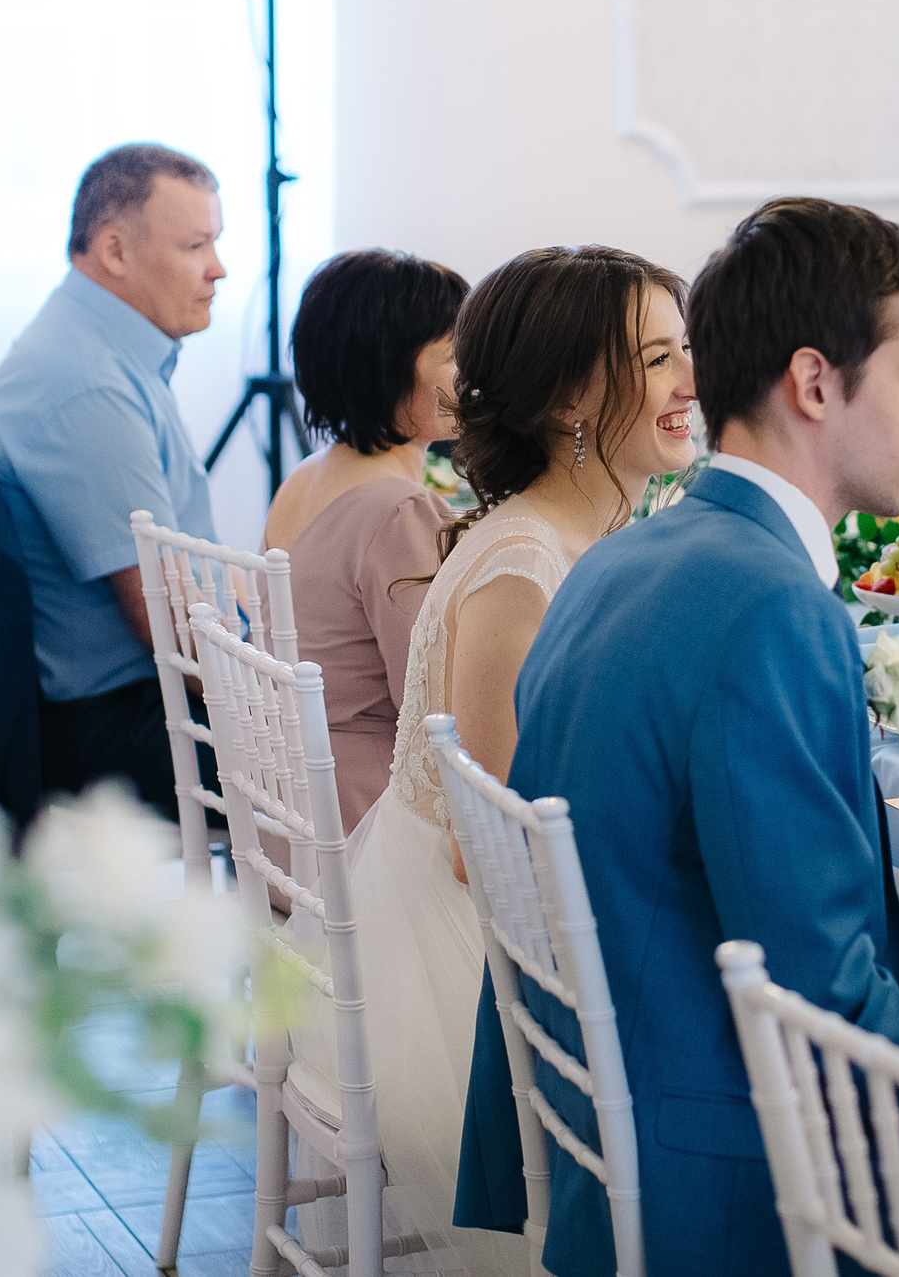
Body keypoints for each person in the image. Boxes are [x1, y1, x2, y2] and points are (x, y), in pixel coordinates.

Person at [457, 198, 899, 1277]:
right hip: (733, 1179)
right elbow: (811, 993)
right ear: (814, 382)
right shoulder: (770, 605)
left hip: (621, 1126)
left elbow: (727, 922)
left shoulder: (626, 557)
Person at [338, 245, 700, 1275]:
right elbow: (488, 854)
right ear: (571, 398)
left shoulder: (610, 527)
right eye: (658, 360)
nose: (691, 382)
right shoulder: (523, 565)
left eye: (685, 351)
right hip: (480, 963)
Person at [0, 143, 225, 813]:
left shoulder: (98, 346)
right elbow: (166, 622)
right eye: (196, 245)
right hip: (119, 721)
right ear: (114, 251)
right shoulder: (89, 385)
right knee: (357, 756)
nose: (218, 269)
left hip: (134, 696)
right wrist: (281, 709)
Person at [262, 248, 469, 832]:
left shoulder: (304, 477)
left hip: (292, 807)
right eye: (456, 356)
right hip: (367, 817)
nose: (475, 374)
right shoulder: (400, 510)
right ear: (388, 368)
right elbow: (435, 709)